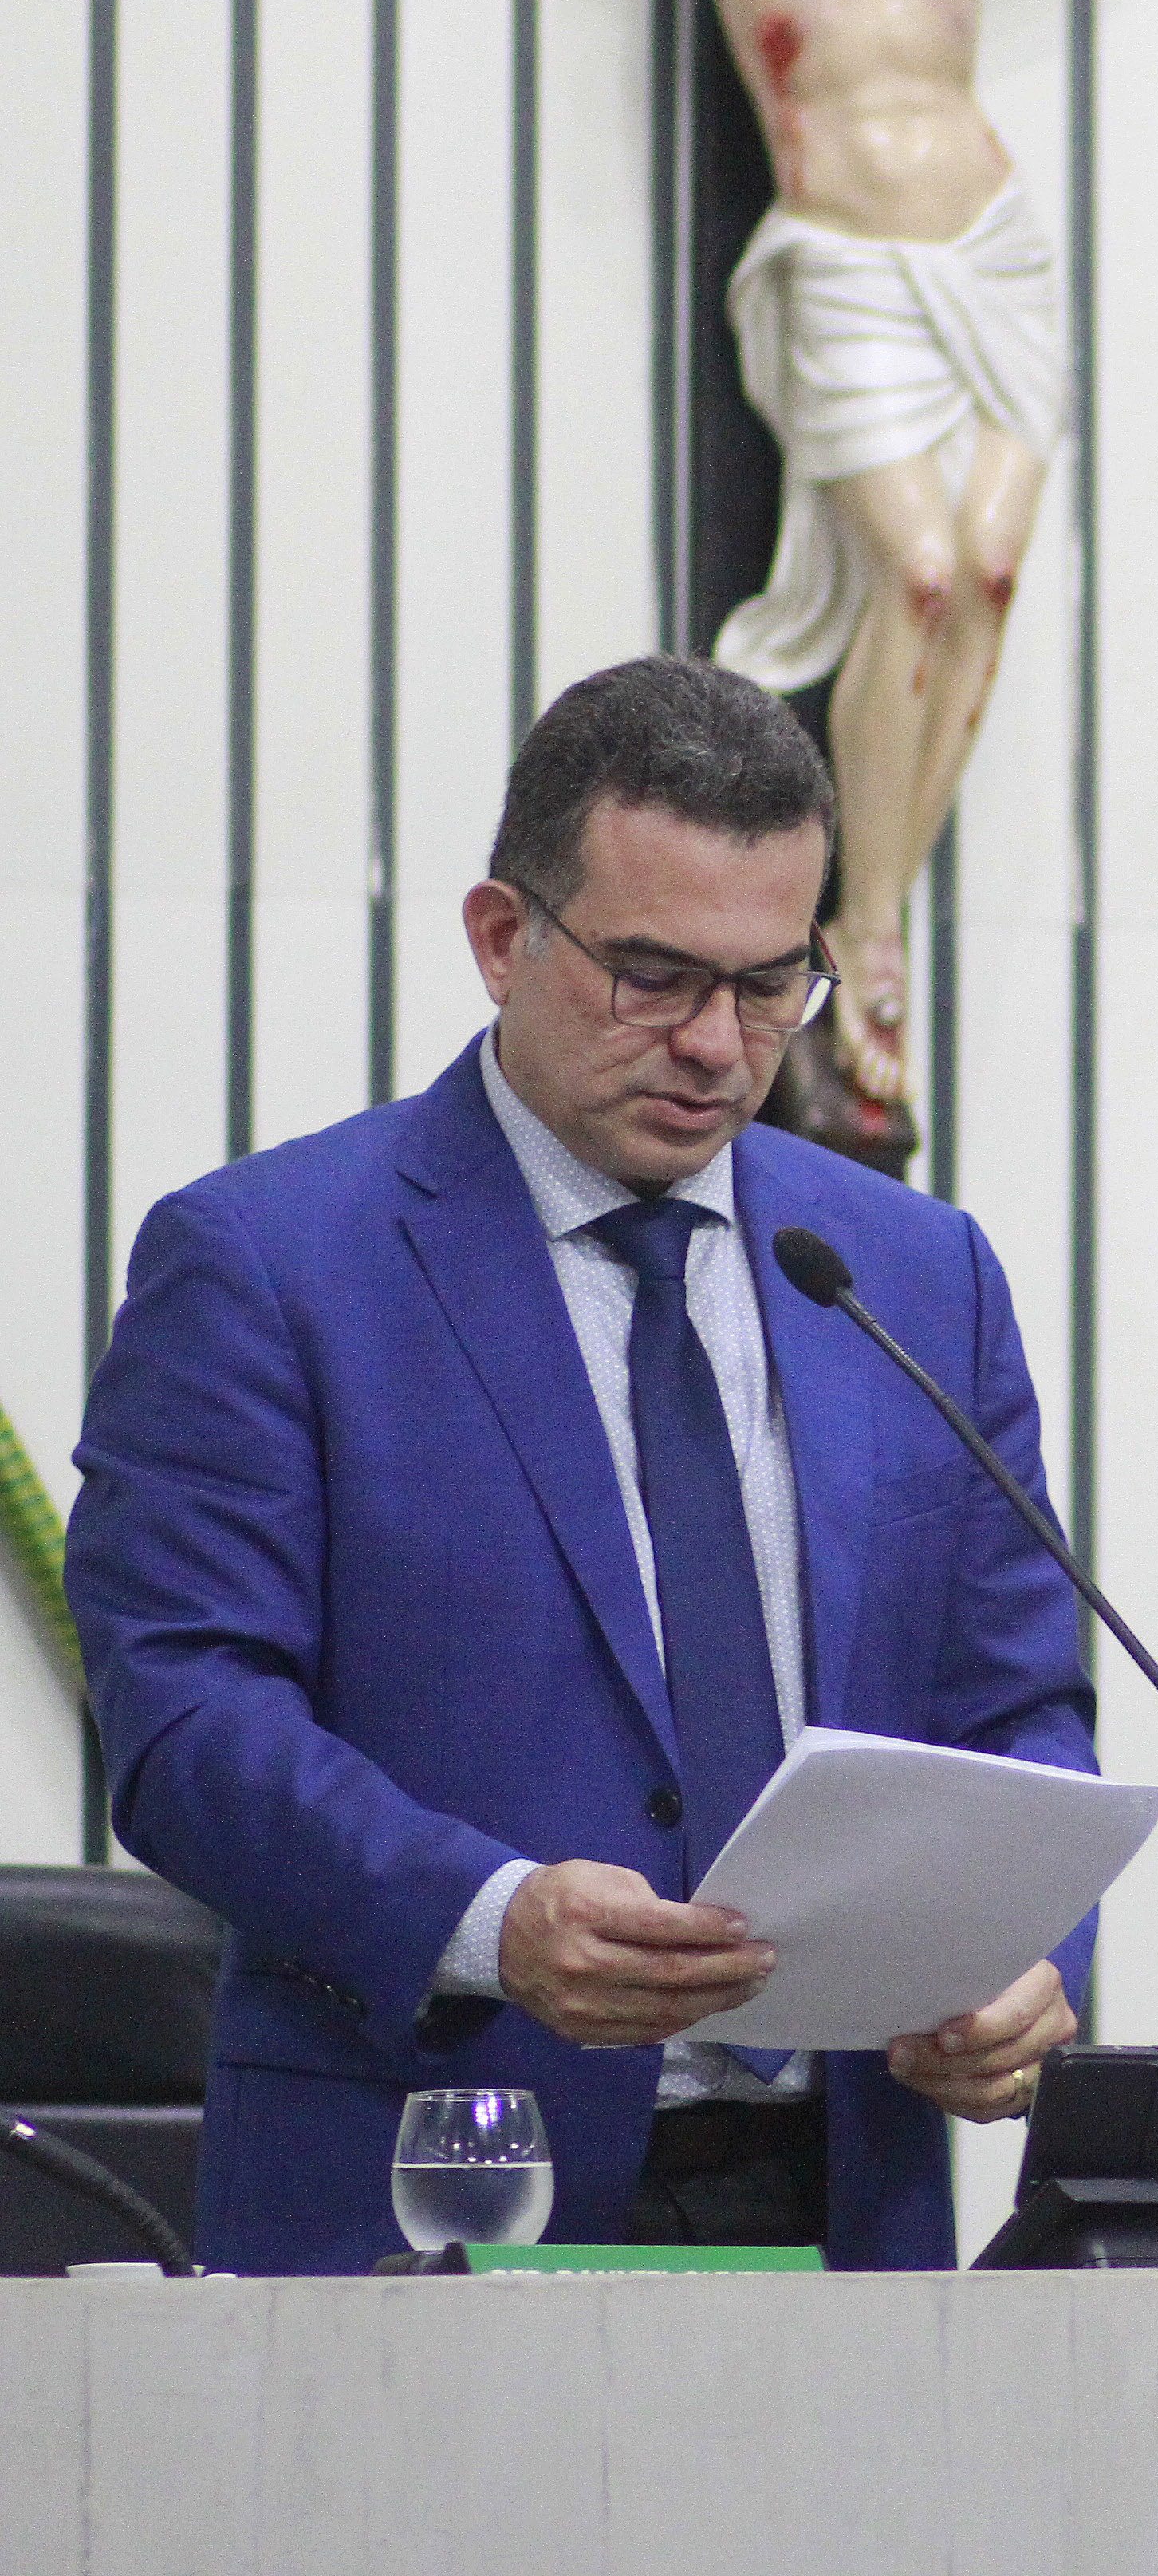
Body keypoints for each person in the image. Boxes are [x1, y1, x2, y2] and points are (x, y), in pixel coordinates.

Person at [70, 655, 1094, 2274]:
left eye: (771, 986)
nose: (715, 1045)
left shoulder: (910, 1275)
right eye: (652, 976)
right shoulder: (268, 1267)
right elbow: (188, 1715)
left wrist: (1027, 1963)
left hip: (849, 2200)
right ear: (501, 939)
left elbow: (1021, 1709)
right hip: (438, 2181)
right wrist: (490, 1918)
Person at [636, 0, 1097, 1168]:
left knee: (991, 572)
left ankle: (880, 905)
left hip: (988, 252)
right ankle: (869, 923)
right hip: (842, 261)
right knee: (922, 575)